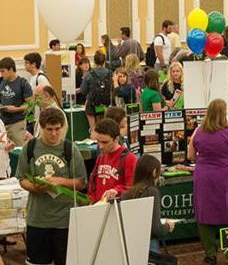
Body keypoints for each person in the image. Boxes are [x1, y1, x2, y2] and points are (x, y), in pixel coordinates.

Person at [15, 107, 87, 265]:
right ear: (41, 127)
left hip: (65, 221)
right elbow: (21, 178)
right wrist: (34, 187)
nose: (54, 134)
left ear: (62, 127)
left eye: (57, 129)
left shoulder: (70, 149)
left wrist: (59, 181)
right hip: (37, 220)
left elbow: (81, 182)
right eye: (49, 129)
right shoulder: (30, 147)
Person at [187, 99, 228, 265]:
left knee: (205, 214)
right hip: (223, 176)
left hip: (203, 176)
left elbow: (190, 156)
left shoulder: (198, 131)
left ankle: (210, 254)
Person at [122, 155, 175, 252]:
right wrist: (168, 226)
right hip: (149, 244)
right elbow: (156, 230)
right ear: (154, 172)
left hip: (132, 244)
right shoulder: (152, 191)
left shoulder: (127, 193)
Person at [87, 118, 137, 203]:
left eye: (105, 142)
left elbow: (133, 188)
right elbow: (93, 182)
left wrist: (117, 191)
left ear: (116, 139)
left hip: (117, 208)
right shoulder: (101, 156)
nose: (101, 146)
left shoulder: (129, 158)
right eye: (98, 141)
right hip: (98, 207)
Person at [0, 57, 33, 146]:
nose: (1, 74)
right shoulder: (1, 82)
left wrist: (16, 109)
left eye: (3, 71)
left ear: (11, 69)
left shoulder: (23, 83)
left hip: (17, 123)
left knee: (19, 151)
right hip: (3, 124)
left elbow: (30, 105)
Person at [80, 51, 113, 132]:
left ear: (94, 61)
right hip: (106, 104)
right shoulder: (110, 73)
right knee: (104, 129)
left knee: (93, 129)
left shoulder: (88, 74)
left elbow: (83, 90)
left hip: (91, 104)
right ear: (104, 61)